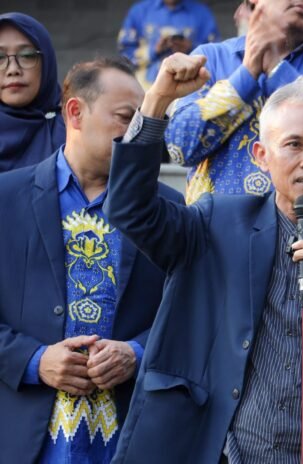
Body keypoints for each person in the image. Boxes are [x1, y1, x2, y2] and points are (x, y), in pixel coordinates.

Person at [104, 54, 303, 463]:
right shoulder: (216, 223)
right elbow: (130, 209)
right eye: (294, 144)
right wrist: (157, 101)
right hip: (222, 450)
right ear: (261, 155)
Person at [0, 56, 183, 463]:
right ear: (75, 112)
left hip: (131, 434)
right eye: (126, 118)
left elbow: (192, 313)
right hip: (23, 436)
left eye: (146, 120)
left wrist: (137, 352)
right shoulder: (6, 199)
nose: (138, 132)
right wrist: (34, 360)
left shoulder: (169, 209)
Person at [166, 0, 303, 205]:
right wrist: (246, 76)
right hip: (217, 227)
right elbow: (180, 147)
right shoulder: (209, 59)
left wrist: (277, 70)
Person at [0, 12, 65, 172]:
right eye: (0, 58)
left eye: (27, 56)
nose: (13, 69)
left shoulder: (73, 132)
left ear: (47, 63)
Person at [117, 0, 219, 88]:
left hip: (188, 89)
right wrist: (154, 50)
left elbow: (215, 58)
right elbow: (125, 54)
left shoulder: (202, 14)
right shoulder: (140, 11)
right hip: (145, 87)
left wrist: (190, 49)